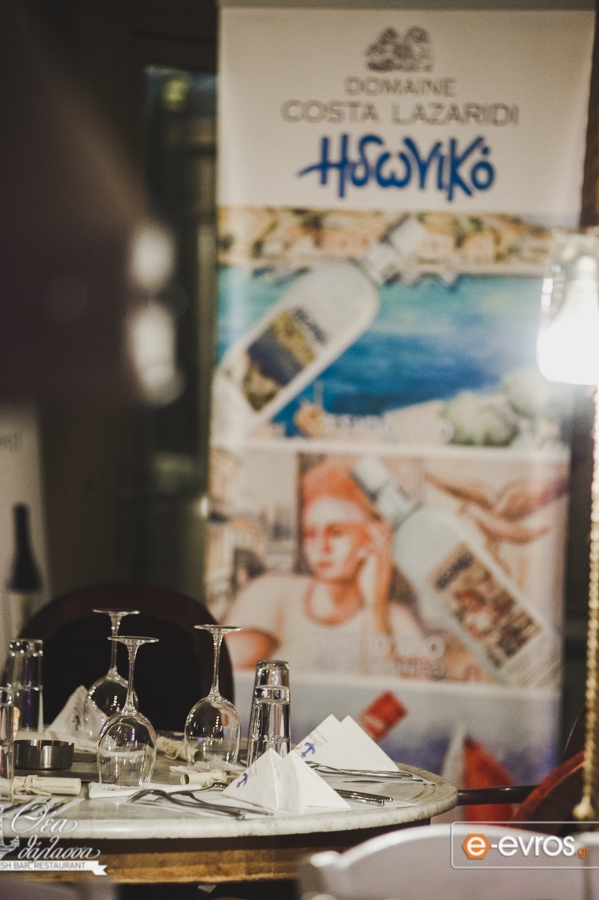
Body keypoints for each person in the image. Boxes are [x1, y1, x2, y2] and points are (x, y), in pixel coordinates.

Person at [223, 458, 433, 676]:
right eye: (310, 534)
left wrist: (374, 609)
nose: (321, 547)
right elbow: (228, 680)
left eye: (336, 533)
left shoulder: (398, 622)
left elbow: (397, 696)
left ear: (374, 539)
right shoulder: (269, 594)